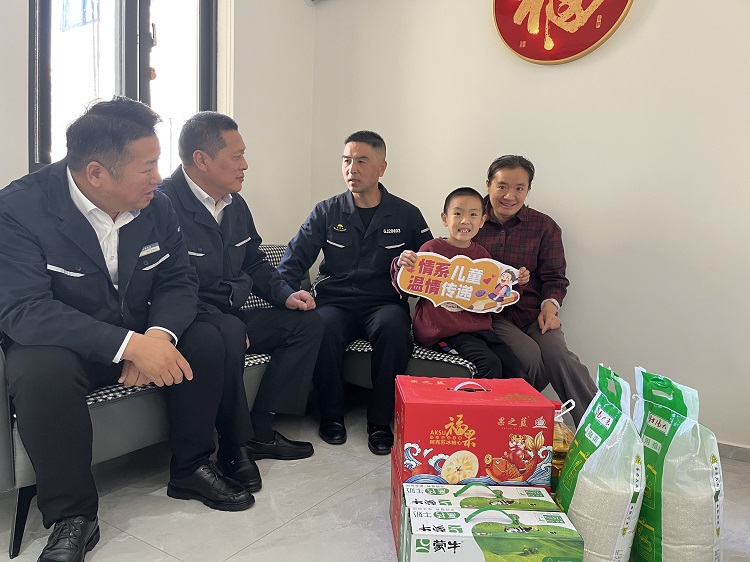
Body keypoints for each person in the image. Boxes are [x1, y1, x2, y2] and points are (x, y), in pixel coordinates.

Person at [0, 98, 254, 562]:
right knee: (38, 371)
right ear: (97, 173)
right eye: (148, 166)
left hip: (139, 330)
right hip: (68, 344)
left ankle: (191, 467)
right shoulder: (20, 209)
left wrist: (156, 338)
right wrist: (127, 346)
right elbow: (24, 310)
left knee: (210, 334)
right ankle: (73, 515)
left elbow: (179, 280)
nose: (160, 176)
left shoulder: (158, 206)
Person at [159, 112, 320, 483]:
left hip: (231, 315)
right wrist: (222, 319)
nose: (245, 165)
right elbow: (164, 285)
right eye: (237, 156)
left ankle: (261, 430)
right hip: (190, 320)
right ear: (202, 159)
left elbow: (255, 263)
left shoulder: (235, 204)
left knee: (308, 323)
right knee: (228, 332)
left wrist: (286, 294)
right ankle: (235, 446)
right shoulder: (163, 205)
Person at [278, 131, 432, 455]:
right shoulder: (326, 211)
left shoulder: (407, 215)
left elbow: (431, 266)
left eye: (362, 161)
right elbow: (293, 260)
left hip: (383, 303)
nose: (352, 169)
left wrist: (416, 268)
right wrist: (286, 297)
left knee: (394, 329)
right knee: (321, 326)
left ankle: (380, 422)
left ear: (382, 168)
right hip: (335, 301)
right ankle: (331, 415)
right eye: (347, 161)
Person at [473, 155, 597, 424]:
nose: (510, 196)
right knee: (530, 357)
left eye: (519, 188)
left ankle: (598, 425)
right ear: (488, 185)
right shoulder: (471, 220)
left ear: (528, 189)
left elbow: (555, 278)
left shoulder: (544, 227)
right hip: (490, 316)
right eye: (502, 186)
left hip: (533, 313)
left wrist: (549, 309)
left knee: (558, 354)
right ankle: (516, 420)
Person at [393, 187, 528, 380]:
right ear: (444, 218)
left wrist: (518, 282)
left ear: (482, 220)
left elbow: (495, 295)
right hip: (442, 333)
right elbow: (407, 288)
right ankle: (475, 401)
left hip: (480, 329)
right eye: (457, 213)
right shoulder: (431, 250)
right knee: (489, 364)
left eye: (473, 214)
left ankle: (509, 400)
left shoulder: (482, 256)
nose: (465, 221)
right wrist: (401, 265)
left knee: (516, 370)